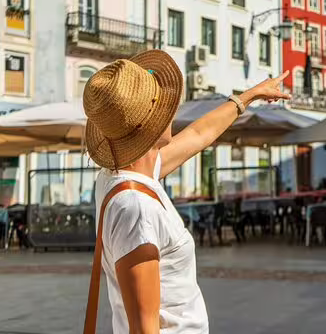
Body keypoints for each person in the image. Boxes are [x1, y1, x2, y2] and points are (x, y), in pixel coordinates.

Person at [84, 50, 289, 333]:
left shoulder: (121, 175)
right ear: (148, 125)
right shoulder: (135, 208)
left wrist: (247, 97)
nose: (172, 112)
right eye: (163, 106)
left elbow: (197, 135)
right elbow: (144, 329)